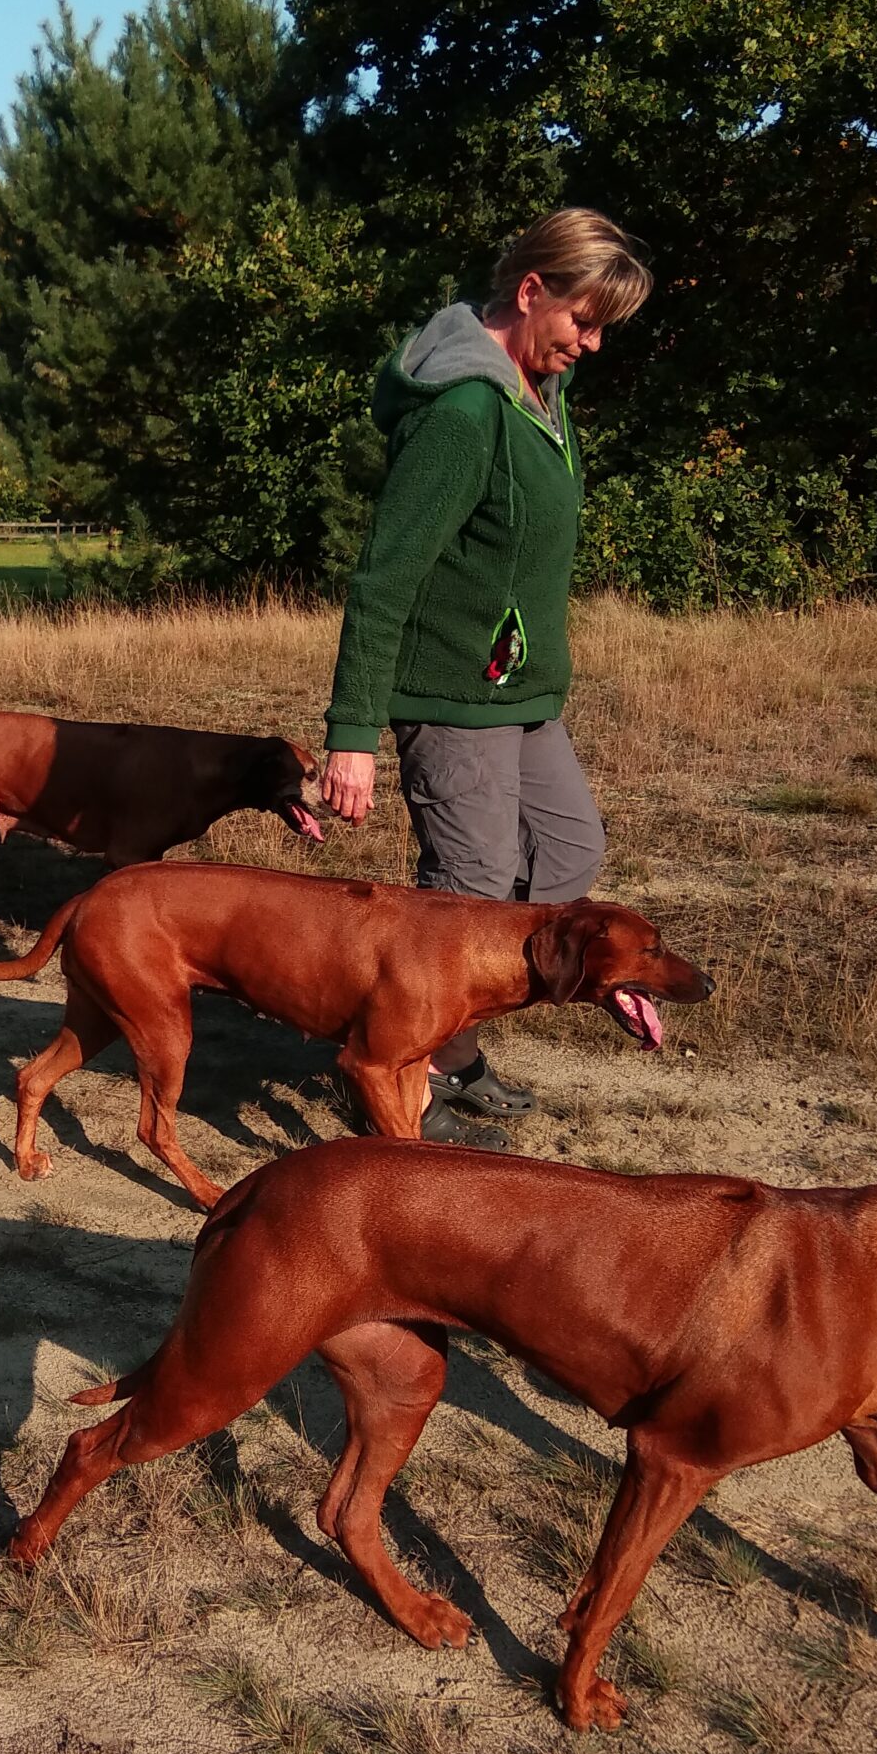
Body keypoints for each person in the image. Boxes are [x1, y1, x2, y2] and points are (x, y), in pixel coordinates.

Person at [318, 208, 653, 1145]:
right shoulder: (465, 415)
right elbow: (383, 577)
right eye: (581, 322)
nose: (588, 345)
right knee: (464, 891)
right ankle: (405, 1068)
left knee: (567, 855)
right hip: (452, 696)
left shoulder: (540, 398)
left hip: (522, 693)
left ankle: (442, 1036)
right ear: (530, 290)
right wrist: (352, 734)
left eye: (601, 332)